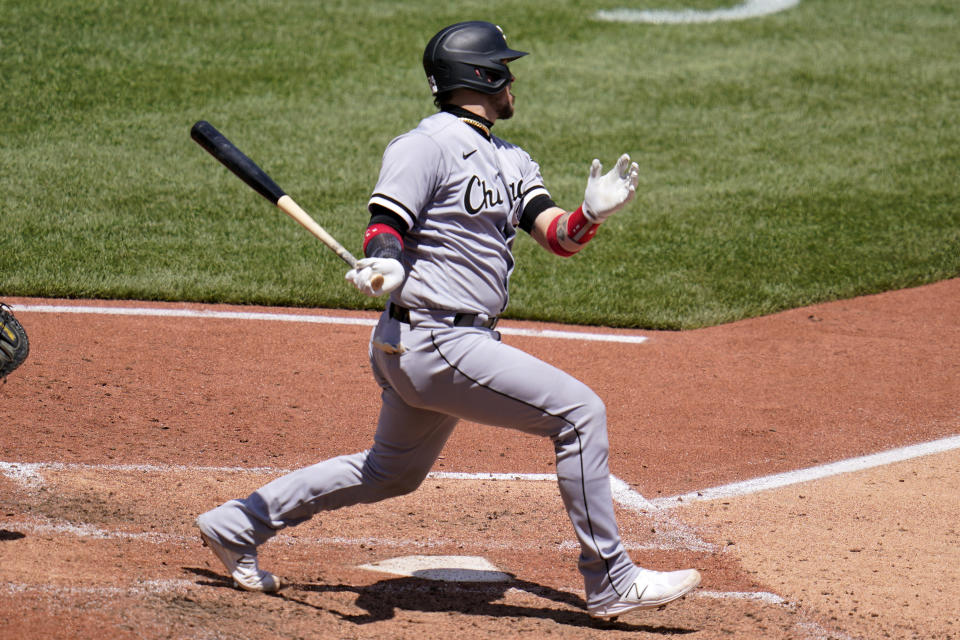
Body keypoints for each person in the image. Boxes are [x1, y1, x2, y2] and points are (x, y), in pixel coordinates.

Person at [196, 20, 701, 620]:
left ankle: (239, 523)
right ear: (482, 76)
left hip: (442, 342)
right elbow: (386, 224)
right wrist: (383, 266)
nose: (515, 80)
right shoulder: (424, 145)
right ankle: (610, 578)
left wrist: (590, 214)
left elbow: (557, 238)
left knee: (391, 472)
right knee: (580, 413)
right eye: (505, 69)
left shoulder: (511, 158)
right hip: (435, 338)